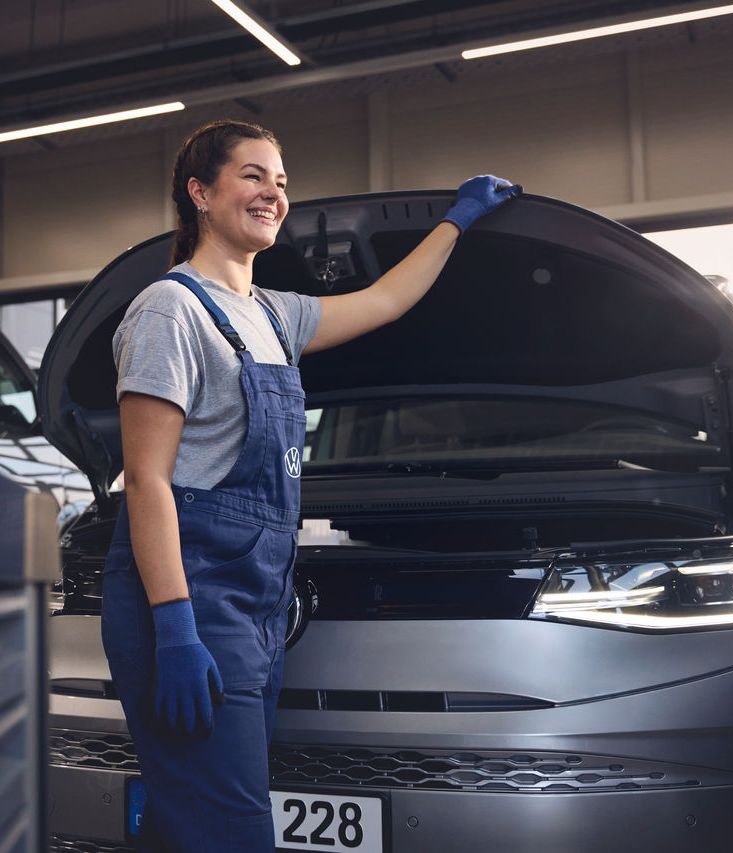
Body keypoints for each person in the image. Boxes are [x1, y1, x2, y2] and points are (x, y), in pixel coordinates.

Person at [101, 118, 520, 852]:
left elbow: (386, 299)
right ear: (200, 192)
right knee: (231, 830)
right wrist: (176, 629)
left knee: (187, 825)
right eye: (252, 175)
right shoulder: (171, 311)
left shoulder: (273, 313)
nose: (273, 192)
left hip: (258, 603)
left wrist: (456, 221)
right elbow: (146, 480)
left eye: (281, 180)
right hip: (193, 600)